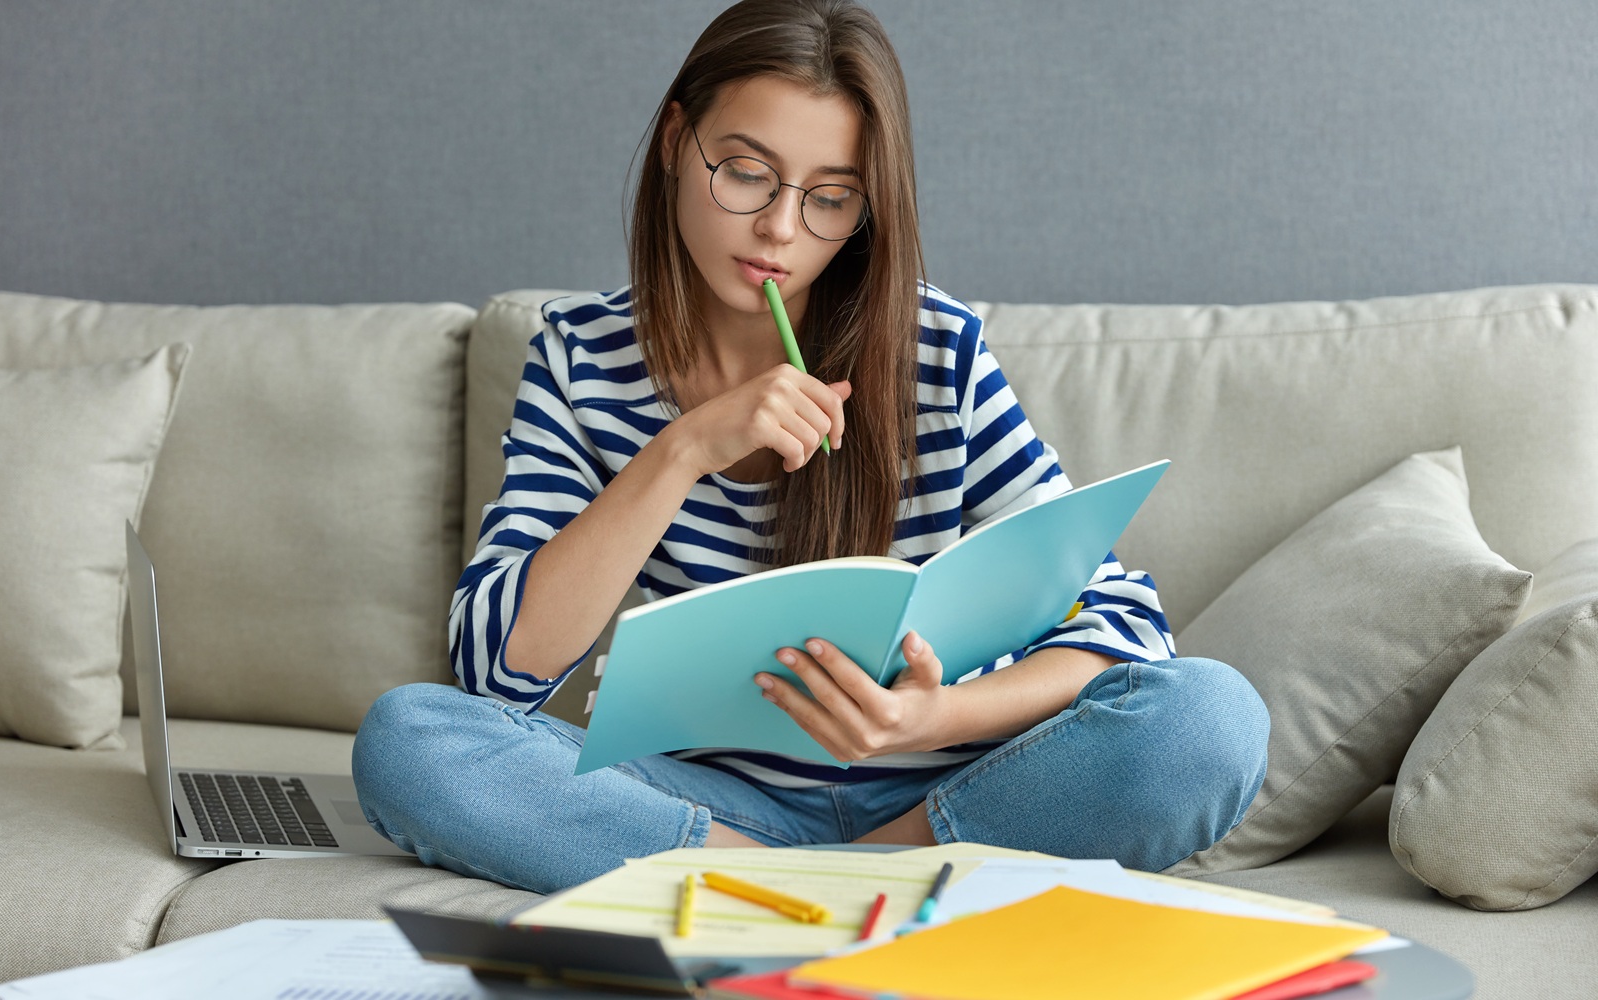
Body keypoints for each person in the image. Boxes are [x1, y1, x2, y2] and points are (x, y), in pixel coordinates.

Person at [352, 0, 1269, 895]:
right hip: (708, 804)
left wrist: (931, 717)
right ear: (677, 142)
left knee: (1210, 720)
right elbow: (493, 671)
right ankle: (835, 888)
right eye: (746, 173)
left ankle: (816, 887)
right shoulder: (581, 355)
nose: (781, 231)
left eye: (831, 198)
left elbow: (1122, 625)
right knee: (411, 740)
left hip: (948, 791)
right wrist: (680, 451)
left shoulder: (932, 348)